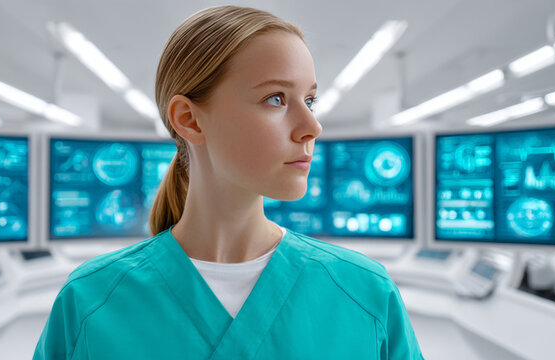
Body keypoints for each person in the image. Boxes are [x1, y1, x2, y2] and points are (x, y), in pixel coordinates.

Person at [34, 5, 423, 359]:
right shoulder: (90, 302)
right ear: (189, 119)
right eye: (275, 99)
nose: (312, 127)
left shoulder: (366, 293)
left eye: (309, 101)